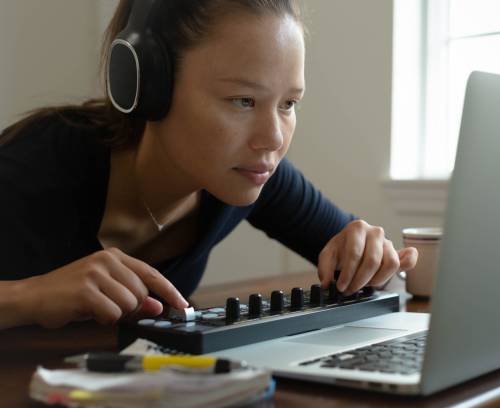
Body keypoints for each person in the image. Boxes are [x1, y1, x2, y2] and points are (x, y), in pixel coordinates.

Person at [0, 0, 418, 330]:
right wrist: (28, 296)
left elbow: (356, 260)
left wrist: (368, 255)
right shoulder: (35, 164)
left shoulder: (253, 172)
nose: (273, 139)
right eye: (243, 101)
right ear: (148, 85)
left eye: (288, 104)